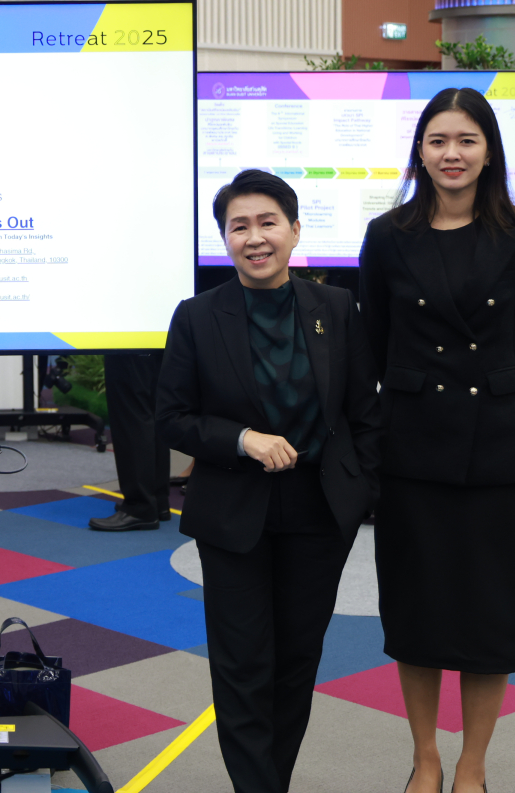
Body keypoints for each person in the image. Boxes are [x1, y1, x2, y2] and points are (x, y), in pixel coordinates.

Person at [157, 169, 382, 793]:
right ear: (225, 239)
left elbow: (366, 412)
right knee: (242, 664)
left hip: (320, 511)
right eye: (240, 227)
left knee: (295, 662)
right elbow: (171, 417)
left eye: (268, 223)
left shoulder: (335, 308)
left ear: (295, 230)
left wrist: (360, 489)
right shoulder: (198, 316)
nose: (255, 238)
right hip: (234, 510)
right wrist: (241, 439)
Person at [359, 87, 515, 793]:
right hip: (413, 449)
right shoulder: (388, 235)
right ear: (420, 150)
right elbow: (374, 340)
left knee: (491, 618)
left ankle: (472, 764)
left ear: (489, 150)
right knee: (417, 613)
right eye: (438, 140)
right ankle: (426, 757)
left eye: (466, 140)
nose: (452, 154)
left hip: (497, 450)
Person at [88, 349, 170, 531]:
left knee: (131, 413)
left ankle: (140, 506)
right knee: (151, 408)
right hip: (156, 339)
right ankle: (158, 500)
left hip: (128, 339)